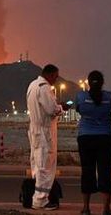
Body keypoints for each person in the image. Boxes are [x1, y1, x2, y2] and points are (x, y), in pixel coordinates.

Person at [75, 70, 111, 215]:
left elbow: (79, 109)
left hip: (86, 137)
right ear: (102, 82)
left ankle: (86, 208)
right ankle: (106, 209)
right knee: (106, 171)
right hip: (106, 137)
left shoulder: (81, 97)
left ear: (88, 82)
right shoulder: (109, 97)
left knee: (87, 171)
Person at [27, 63, 63, 210]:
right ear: (49, 74)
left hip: (35, 129)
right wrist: (61, 108)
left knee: (37, 163)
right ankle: (40, 200)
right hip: (44, 132)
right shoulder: (44, 87)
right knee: (45, 165)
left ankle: (38, 195)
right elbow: (51, 109)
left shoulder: (32, 85)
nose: (56, 79)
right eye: (55, 76)